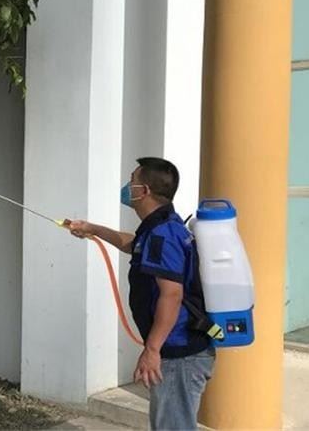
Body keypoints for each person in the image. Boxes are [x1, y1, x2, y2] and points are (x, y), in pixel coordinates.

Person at [67, 157, 215, 431]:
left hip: (178, 354)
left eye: (132, 180)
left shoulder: (162, 235)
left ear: (143, 191)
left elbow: (171, 295)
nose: (127, 186)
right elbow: (133, 244)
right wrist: (92, 229)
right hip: (178, 351)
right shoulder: (160, 228)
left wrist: (152, 349)